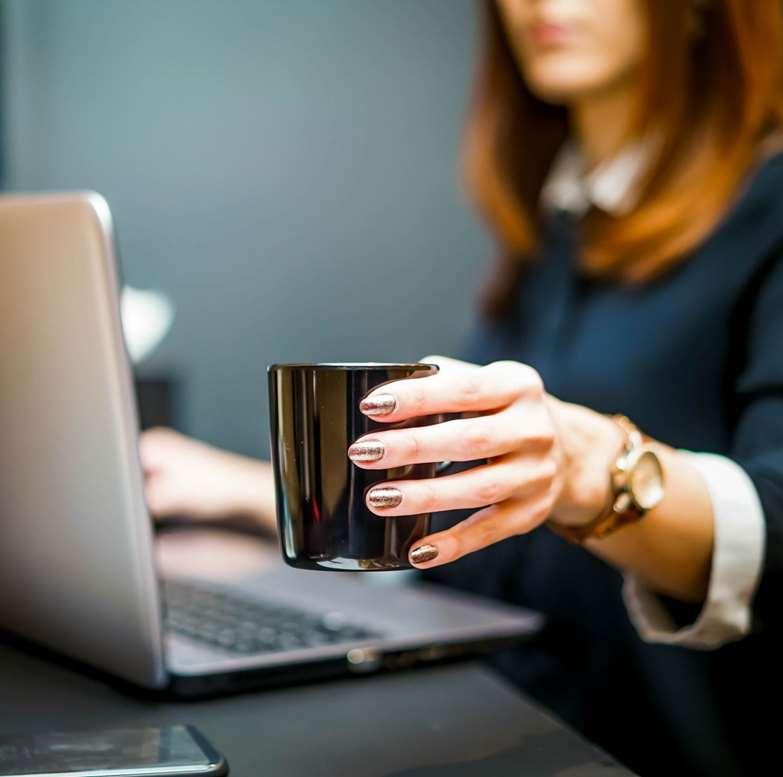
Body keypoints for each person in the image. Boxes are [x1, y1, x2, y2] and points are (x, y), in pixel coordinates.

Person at [139, 1, 783, 774]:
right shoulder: (560, 212)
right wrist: (257, 490)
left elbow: (773, 527)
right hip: (513, 715)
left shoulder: (767, 206)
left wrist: (591, 468)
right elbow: (487, 522)